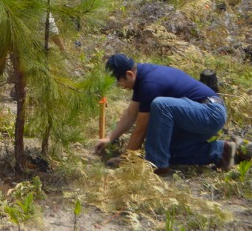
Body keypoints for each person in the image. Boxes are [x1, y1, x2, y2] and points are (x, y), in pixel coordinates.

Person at [95, 54, 236, 175]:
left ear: (129, 74)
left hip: (210, 113)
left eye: (120, 82)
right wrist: (110, 138)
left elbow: (140, 129)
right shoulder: (141, 79)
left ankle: (156, 163)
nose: (121, 86)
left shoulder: (150, 83)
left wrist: (127, 159)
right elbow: (131, 113)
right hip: (199, 117)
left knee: (161, 105)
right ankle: (222, 151)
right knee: (168, 151)